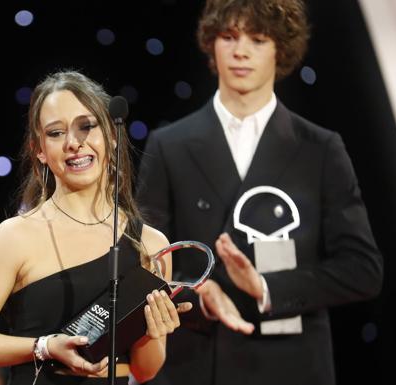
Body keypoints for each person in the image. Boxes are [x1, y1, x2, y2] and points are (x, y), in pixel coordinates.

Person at [136, 1, 383, 384]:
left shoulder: (320, 149)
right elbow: (147, 264)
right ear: (211, 44)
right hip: (195, 365)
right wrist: (201, 295)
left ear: (280, 49)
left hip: (291, 366)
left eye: (258, 39)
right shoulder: (168, 145)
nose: (241, 51)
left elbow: (362, 269)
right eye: (229, 36)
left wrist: (268, 288)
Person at [0, 70, 191, 385]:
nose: (74, 143)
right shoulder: (15, 236)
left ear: (112, 136)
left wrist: (153, 333)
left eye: (86, 126)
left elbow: (144, 370)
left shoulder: (150, 245)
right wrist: (45, 347)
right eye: (56, 133)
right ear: (39, 150)